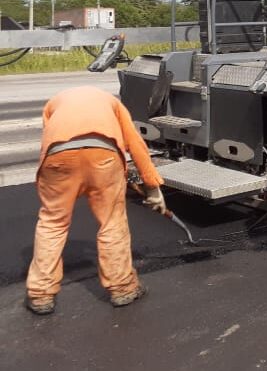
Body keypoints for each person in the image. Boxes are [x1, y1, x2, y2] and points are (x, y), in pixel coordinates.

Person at [25, 86, 166, 316]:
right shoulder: (112, 103)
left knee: (52, 223)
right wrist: (152, 188)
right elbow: (135, 144)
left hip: (58, 158)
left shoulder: (54, 103)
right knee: (112, 222)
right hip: (104, 157)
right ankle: (122, 289)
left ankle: (41, 294)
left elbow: (51, 139)